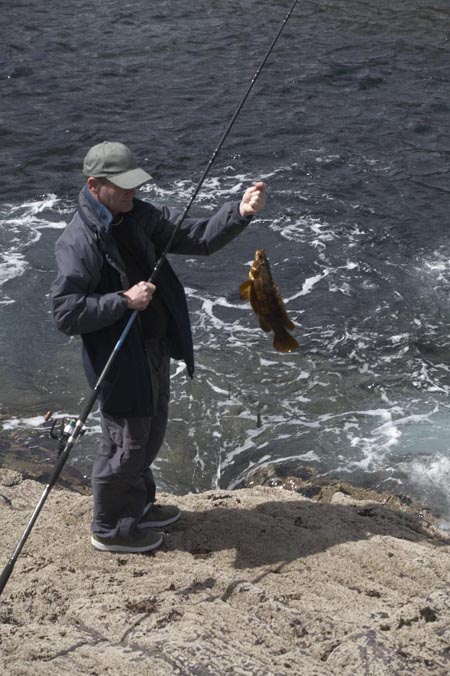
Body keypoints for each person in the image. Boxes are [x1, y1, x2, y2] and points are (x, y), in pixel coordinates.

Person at [51, 141, 266, 554]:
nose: (134, 192)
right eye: (124, 186)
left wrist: (240, 213)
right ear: (95, 185)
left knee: (149, 433)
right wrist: (123, 301)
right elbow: (65, 313)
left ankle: (139, 506)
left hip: (152, 346)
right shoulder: (79, 242)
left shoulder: (137, 215)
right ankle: (111, 528)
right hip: (118, 358)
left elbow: (196, 237)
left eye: (135, 184)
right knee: (125, 443)